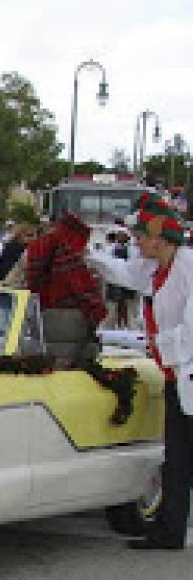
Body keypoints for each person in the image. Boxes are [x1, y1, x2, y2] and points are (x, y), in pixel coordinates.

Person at [87, 193, 192, 551]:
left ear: (160, 240)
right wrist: (88, 256)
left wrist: (159, 343)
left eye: (141, 237)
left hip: (187, 371)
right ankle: (170, 530)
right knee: (176, 459)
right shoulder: (154, 268)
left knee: (181, 456)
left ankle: (170, 527)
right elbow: (124, 272)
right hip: (177, 376)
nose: (136, 242)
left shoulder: (189, 267)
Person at [24, 212, 104, 364]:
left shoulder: (36, 248)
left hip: (38, 316)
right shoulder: (70, 253)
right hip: (71, 324)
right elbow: (85, 292)